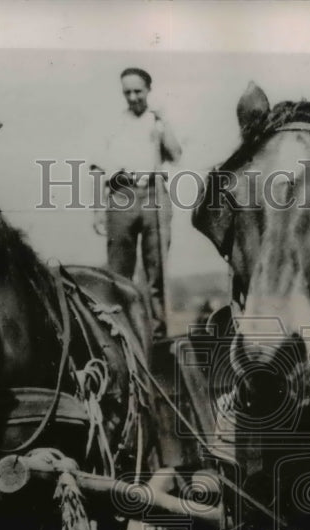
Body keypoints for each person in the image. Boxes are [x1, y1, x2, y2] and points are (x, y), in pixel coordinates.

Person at [93, 66, 182, 339]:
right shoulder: (113, 124)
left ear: (149, 91)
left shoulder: (157, 122)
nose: (132, 97)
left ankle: (157, 331)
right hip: (121, 194)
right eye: (127, 92)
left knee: (157, 270)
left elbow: (176, 154)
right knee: (119, 271)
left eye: (138, 91)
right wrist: (98, 209)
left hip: (154, 193)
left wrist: (163, 124)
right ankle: (120, 330)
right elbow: (97, 168)